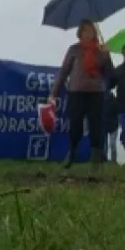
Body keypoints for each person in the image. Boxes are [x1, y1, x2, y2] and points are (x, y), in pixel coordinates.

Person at [48, 19, 113, 170]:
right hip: (76, 92)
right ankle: (71, 154)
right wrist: (53, 93)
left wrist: (107, 56)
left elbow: (110, 73)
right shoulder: (74, 49)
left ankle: (96, 159)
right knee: (75, 124)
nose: (87, 34)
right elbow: (64, 72)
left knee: (96, 125)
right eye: (84, 31)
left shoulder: (101, 50)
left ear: (95, 33)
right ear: (80, 33)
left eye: (90, 31)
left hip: (96, 92)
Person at [104, 90, 119, 164]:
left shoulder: (114, 101)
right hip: (105, 125)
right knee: (106, 144)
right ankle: (105, 159)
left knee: (112, 144)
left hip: (113, 125)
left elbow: (118, 112)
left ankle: (113, 160)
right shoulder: (101, 100)